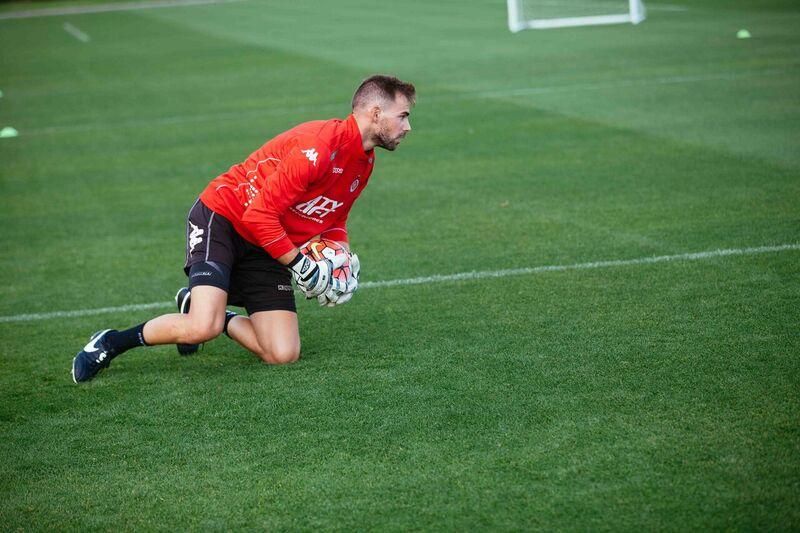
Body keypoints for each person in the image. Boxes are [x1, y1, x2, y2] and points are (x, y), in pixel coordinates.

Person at [72, 75, 415, 383]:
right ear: (374, 112)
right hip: (225, 218)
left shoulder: (363, 162)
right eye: (403, 116)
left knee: (282, 354)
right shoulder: (318, 148)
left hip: (270, 242)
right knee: (199, 329)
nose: (407, 126)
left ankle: (209, 308)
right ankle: (112, 341)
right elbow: (257, 216)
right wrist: (301, 265)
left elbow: (334, 220)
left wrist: (337, 255)